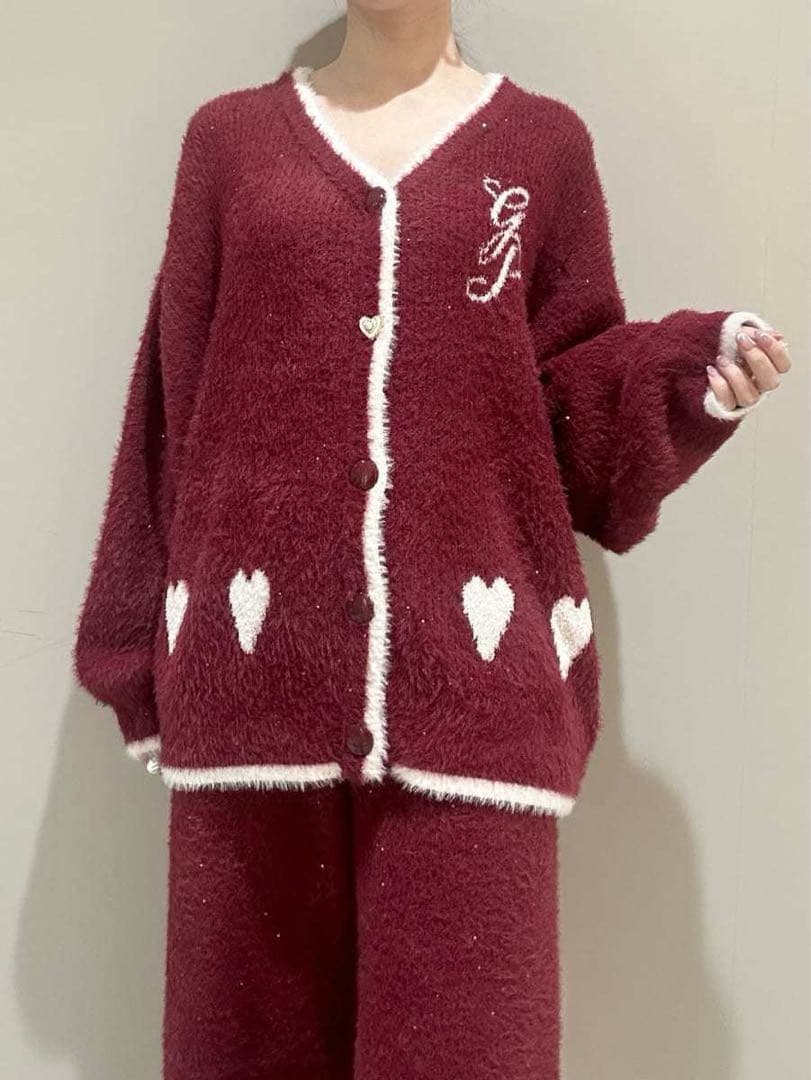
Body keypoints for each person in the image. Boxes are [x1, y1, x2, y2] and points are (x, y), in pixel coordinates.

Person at [73, 1, 792, 1076]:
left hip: (476, 710)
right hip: (246, 693)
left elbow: (565, 419)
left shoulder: (544, 148)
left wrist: (687, 379)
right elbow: (170, 404)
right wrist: (134, 656)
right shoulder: (226, 142)